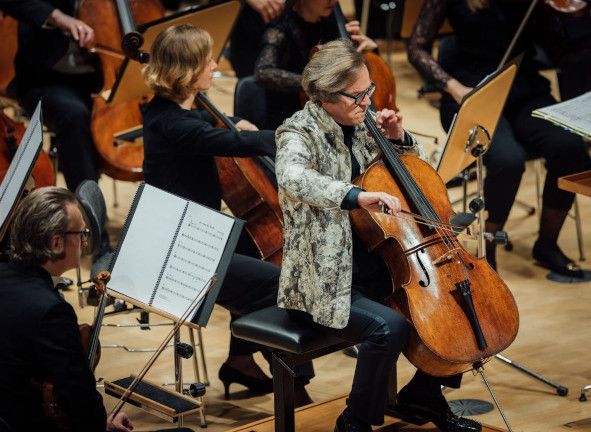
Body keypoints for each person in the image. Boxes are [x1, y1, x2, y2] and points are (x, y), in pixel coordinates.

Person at [275, 39, 481, 432]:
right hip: (324, 279)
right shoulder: (296, 133)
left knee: (458, 309)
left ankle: (424, 394)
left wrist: (400, 140)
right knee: (390, 328)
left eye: (368, 91)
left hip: (377, 264)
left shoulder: (363, 123)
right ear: (325, 95)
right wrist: (356, 195)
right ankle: (354, 422)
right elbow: (293, 177)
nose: (367, 102)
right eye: (357, 96)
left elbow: (415, 176)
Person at [141, 24, 314, 404]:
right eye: (207, 60)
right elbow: (232, 142)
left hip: (196, 230)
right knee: (279, 283)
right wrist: (293, 135)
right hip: (179, 250)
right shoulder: (174, 125)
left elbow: (214, 127)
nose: (215, 64)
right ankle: (295, 387)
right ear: (187, 71)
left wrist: (235, 122)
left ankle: (239, 361)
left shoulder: (168, 110)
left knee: (256, 250)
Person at [407, 0, 591, 277]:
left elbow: (559, 52)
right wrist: (452, 87)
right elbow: (416, 48)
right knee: (508, 160)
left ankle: (547, 243)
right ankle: (488, 245)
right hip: (472, 92)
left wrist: (571, 15)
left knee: (570, 148)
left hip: (523, 87)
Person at [0, 187, 132, 432]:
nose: (84, 242)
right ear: (57, 242)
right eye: (82, 234)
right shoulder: (52, 312)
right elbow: (84, 411)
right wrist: (104, 423)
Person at [0, 0, 100, 192]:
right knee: (75, 116)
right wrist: (57, 16)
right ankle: (87, 211)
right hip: (46, 78)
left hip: (99, 77)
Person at [253, 0, 378, 129]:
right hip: (291, 117)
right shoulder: (281, 28)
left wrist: (370, 50)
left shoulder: (334, 22)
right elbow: (262, 73)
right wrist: (319, 82)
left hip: (335, 116)